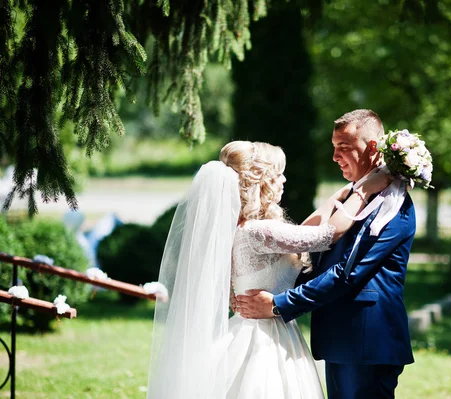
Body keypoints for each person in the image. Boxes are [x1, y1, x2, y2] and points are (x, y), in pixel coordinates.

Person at [146, 140, 391, 398]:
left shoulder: (244, 228)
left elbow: (301, 232)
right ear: (262, 181)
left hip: (250, 326)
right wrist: (363, 193)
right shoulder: (259, 231)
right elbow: (325, 235)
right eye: (278, 174)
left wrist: (341, 195)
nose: (284, 180)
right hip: (268, 335)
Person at [237, 109, 416, 398]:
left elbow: (347, 272)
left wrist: (279, 303)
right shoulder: (352, 196)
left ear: (372, 148)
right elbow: (312, 245)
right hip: (341, 337)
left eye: (343, 148)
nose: (335, 157)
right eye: (333, 148)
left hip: (367, 339)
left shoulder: (392, 204)